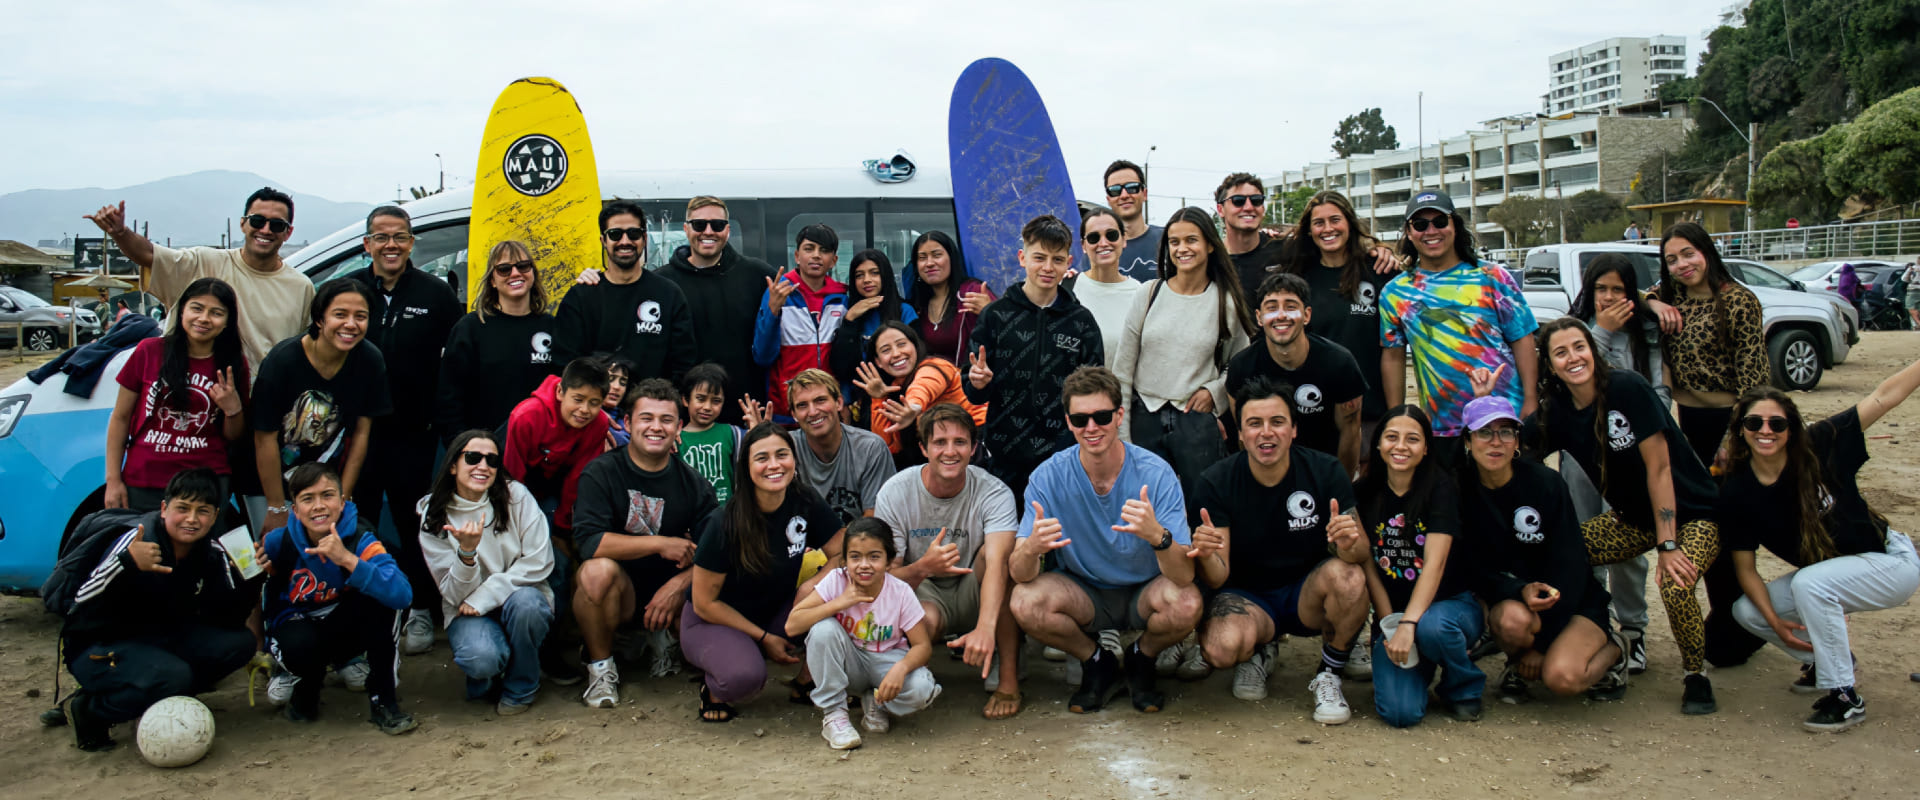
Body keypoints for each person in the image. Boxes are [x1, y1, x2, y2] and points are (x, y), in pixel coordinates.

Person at [1499, 317, 1723, 714]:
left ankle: (1695, 674)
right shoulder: (1559, 411)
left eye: (1579, 347)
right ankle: (1592, 636)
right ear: (1550, 364)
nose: (1573, 358)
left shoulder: (1627, 388)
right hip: (1632, 520)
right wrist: (1490, 405)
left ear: (1593, 350)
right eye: (1561, 352)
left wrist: (1668, 544)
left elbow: (1659, 469)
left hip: (1691, 515)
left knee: (1675, 582)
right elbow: (1512, 448)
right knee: (1559, 551)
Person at [1722, 357, 1920, 732]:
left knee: (1809, 583)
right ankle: (1830, 660)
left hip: (1889, 563)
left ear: (1792, 429)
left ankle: (1844, 696)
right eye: (1754, 423)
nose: (1766, 430)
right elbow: (1745, 569)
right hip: (1832, 574)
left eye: (1777, 423)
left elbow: (1884, 396)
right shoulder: (1737, 490)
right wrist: (1778, 625)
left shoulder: (1820, 445)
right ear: (1741, 430)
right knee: (1748, 612)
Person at [1008, 366, 1200, 714]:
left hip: (1145, 590)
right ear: (1068, 422)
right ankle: (1096, 661)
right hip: (1085, 592)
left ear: (1119, 415)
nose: (1091, 428)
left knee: (1186, 603)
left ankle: (1142, 657)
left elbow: (1185, 576)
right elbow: (1020, 573)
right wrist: (1032, 548)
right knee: (1025, 601)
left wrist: (1158, 536)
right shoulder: (1048, 476)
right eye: (1080, 420)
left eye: (1101, 416)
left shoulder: (1156, 473)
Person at [1189, 377, 1366, 723]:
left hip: (1306, 594)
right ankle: (1258, 651)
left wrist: (1347, 544)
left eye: (1277, 422)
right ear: (1240, 434)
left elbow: (1359, 555)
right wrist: (1207, 554)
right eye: (1254, 423)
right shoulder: (1216, 481)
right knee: (1220, 647)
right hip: (1248, 596)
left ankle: (1329, 673)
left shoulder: (1325, 470)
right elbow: (1218, 574)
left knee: (1351, 578)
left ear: (1294, 430)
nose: (1266, 433)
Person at [57, 469, 261, 752]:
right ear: (164, 509)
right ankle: (90, 709)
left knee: (239, 644)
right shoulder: (137, 540)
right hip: (98, 645)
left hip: (157, 638)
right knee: (173, 676)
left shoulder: (211, 551)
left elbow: (226, 618)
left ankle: (168, 696)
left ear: (215, 516)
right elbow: (79, 601)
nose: (192, 519)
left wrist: (251, 578)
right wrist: (125, 564)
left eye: (202, 511)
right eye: (183, 508)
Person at [343, 205, 462, 657]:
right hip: (357, 434)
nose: (390, 245)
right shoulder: (351, 292)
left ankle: (418, 609)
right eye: (381, 237)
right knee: (359, 520)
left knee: (417, 523)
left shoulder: (434, 293)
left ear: (412, 243)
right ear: (366, 244)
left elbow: (454, 360)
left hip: (414, 431)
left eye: (400, 237)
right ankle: (362, 609)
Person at [1456, 396, 1626, 704]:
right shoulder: (1460, 490)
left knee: (1562, 678)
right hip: (1518, 600)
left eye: (1506, 432)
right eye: (1484, 432)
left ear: (1517, 440)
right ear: (1468, 440)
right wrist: (1518, 590)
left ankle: (1616, 648)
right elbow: (1471, 568)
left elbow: (1572, 565)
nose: (1496, 442)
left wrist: (1542, 646)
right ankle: (1517, 664)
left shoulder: (1545, 483)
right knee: (1510, 621)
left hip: (1572, 602)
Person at [1649, 222, 1767, 666]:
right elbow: (1640, 297)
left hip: (1730, 423)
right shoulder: (1671, 294)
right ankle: (1728, 619)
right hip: (1687, 423)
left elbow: (1755, 381)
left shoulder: (1738, 301)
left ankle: (1739, 622)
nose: (1682, 265)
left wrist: (1732, 442)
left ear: (1707, 251)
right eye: (1673, 259)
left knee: (1729, 526)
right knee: (1702, 525)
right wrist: (1656, 300)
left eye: (1689, 254)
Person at [570, 379, 720, 708]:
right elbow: (589, 543)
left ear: (679, 427)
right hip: (618, 594)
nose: (656, 427)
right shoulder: (602, 472)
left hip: (670, 598)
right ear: (627, 423)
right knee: (595, 572)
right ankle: (601, 668)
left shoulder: (692, 483)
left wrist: (678, 585)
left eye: (666, 420)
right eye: (646, 418)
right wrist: (660, 543)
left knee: (708, 588)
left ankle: (662, 641)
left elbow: (718, 550)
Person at [684, 423, 846, 722]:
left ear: (794, 460)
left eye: (782, 454)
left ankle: (807, 681)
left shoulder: (804, 501)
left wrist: (814, 584)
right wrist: (762, 638)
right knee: (743, 678)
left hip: (776, 611)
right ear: (746, 467)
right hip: (714, 619)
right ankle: (715, 685)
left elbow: (844, 552)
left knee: (840, 589)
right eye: (761, 458)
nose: (774, 465)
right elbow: (705, 603)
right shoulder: (724, 521)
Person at [873, 403, 1022, 719]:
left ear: (973, 448)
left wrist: (985, 627)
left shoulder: (994, 492)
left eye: (960, 442)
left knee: (1004, 560)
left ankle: (1008, 678)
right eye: (940, 442)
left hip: (976, 586)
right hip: (925, 591)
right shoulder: (896, 492)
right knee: (921, 618)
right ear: (924, 448)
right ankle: (909, 674)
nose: (950, 451)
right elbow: (883, 582)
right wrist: (925, 566)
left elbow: (997, 562)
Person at [1380, 190, 1538, 468]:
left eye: (1440, 221)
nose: (1431, 231)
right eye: (1420, 224)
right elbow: (1393, 356)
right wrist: (1398, 416)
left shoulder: (1492, 277)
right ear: (1408, 232)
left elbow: (1522, 338)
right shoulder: (1395, 293)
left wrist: (1530, 400)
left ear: (1455, 225)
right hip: (1442, 427)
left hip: (1502, 419)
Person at [85, 188, 314, 377]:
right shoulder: (204, 263)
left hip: (261, 407)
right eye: (257, 220)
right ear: (243, 224)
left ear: (288, 232)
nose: (265, 230)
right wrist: (120, 232)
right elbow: (149, 256)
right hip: (195, 403)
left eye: (276, 225)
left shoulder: (301, 287)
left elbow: (308, 351)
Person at [1566, 254, 1668, 675]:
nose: (1608, 298)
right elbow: (1575, 378)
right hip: (1579, 456)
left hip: (1630, 460)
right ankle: (1592, 623)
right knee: (1581, 541)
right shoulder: (1577, 333)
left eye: (1618, 289)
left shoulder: (1648, 336)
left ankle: (1633, 630)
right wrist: (1600, 335)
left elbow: (1659, 396)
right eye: (1600, 289)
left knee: (1627, 548)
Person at [258, 463, 416, 734]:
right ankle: (303, 684)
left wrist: (348, 560)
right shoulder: (278, 542)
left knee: (381, 601)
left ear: (343, 502)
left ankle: (384, 700)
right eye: (308, 498)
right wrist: (257, 569)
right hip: (298, 626)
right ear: (294, 509)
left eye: (327, 495)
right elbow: (263, 595)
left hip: (342, 623)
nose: (319, 505)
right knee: (299, 645)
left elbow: (403, 594)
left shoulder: (361, 539)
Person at [1113, 206, 1256, 501]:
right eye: (1174, 242)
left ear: (1210, 245)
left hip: (1196, 423)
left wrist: (1215, 391)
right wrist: (1122, 436)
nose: (1182, 248)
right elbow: (1122, 371)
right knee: (1145, 507)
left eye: (1191, 240)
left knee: (1202, 508)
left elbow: (1241, 365)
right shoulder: (1149, 294)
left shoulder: (1224, 302)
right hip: (1144, 418)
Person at [1354, 405, 1481, 726]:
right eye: (1391, 437)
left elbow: (1435, 565)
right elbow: (1368, 565)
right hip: (1397, 614)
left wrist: (1410, 624)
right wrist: (1390, 625)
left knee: (1433, 629)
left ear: (1426, 448)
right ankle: (1422, 670)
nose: (1400, 446)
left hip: (1448, 606)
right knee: (1400, 713)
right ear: (1378, 443)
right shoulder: (1363, 493)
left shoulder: (1441, 488)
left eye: (1412, 439)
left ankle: (1461, 687)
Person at [964, 214, 1106, 502]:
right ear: (1022, 257)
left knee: (1057, 538)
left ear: (1068, 262)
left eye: (1057, 259)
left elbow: (1094, 392)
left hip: (1064, 455)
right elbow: (974, 391)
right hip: (1003, 455)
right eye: (1039, 257)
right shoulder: (996, 315)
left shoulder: (1082, 322)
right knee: (1007, 540)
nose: (1047, 267)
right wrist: (977, 382)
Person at [417, 430, 554, 716]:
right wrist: (467, 554)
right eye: (472, 457)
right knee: (482, 658)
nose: (483, 466)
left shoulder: (515, 496)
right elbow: (454, 594)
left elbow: (539, 560)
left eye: (492, 460)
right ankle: (485, 679)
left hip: (517, 597)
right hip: (465, 609)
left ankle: (521, 687)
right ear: (453, 465)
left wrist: (487, 596)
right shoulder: (435, 514)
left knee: (528, 606)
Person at [249, 278, 392, 537]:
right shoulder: (283, 361)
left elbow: (361, 433)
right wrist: (277, 507)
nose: (351, 324)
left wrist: (342, 500)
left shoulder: (370, 360)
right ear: (319, 319)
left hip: (327, 483)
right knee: (275, 556)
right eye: (340, 314)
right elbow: (264, 438)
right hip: (271, 482)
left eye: (361, 316)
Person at [787, 518, 941, 750]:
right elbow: (792, 625)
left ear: (889, 561)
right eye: (855, 557)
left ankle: (878, 703)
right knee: (823, 630)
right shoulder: (836, 581)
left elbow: (922, 646)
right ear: (845, 560)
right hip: (850, 664)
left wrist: (900, 669)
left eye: (874, 556)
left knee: (921, 688)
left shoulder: (900, 592)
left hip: (886, 663)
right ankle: (834, 714)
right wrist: (839, 603)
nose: (864, 565)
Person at [105, 278, 247, 513]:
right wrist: (113, 480)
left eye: (216, 313)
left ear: (227, 322)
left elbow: (233, 436)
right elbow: (120, 418)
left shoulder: (233, 364)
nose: (204, 318)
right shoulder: (148, 351)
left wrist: (233, 409)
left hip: (206, 487)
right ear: (182, 311)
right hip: (144, 481)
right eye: (197, 308)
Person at [1225, 272, 1367, 473]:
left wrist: (1339, 486)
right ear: (1259, 317)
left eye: (1290, 306)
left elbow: (1351, 433)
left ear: (1307, 315)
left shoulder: (1339, 363)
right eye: (1272, 307)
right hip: (1268, 472)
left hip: (1324, 471)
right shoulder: (1242, 367)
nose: (1281, 315)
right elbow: (1244, 434)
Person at [657, 196, 778, 425]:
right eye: (699, 225)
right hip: (686, 418)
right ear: (686, 228)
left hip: (747, 414)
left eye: (718, 225)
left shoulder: (759, 276)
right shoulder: (662, 284)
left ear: (728, 230)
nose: (708, 231)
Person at [1281, 191, 1395, 433]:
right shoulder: (1299, 279)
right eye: (1318, 223)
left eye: (1335, 220)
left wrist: (1394, 415)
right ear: (1310, 231)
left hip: (1370, 414)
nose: (1327, 229)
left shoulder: (1379, 271)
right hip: (1315, 414)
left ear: (1349, 224)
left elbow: (1393, 349)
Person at [555, 201, 698, 384]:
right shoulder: (580, 297)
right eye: (615, 234)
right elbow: (566, 364)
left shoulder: (669, 294)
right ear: (603, 241)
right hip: (595, 409)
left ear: (644, 238)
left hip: (652, 408)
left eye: (633, 233)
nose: (625, 241)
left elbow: (683, 363)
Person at [436, 240, 557, 441]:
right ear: (492, 280)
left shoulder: (551, 327)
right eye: (504, 269)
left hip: (539, 449)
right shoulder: (470, 328)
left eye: (523, 266)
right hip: (485, 451)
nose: (515, 273)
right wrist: (462, 447)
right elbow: (449, 398)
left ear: (533, 273)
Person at [503, 357, 612, 540]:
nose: (585, 409)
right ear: (560, 392)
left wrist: (563, 528)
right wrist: (513, 519)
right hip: (515, 488)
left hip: (555, 489)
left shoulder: (599, 423)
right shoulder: (526, 416)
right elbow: (512, 474)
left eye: (594, 403)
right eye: (578, 399)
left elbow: (579, 476)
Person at [854, 321, 986, 465]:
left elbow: (923, 387)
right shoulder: (893, 387)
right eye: (886, 350)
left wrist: (913, 407)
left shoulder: (934, 366)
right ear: (878, 362)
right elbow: (889, 447)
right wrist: (878, 399)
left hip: (978, 444)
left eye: (902, 344)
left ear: (915, 346)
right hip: (940, 452)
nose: (896, 353)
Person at [755, 224, 849, 423]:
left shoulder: (842, 298)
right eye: (809, 249)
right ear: (797, 256)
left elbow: (846, 360)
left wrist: (846, 399)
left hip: (828, 408)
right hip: (786, 409)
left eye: (824, 251)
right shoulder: (779, 292)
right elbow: (762, 356)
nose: (816, 255)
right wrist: (772, 313)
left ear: (834, 261)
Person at [785, 369, 897, 526]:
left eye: (820, 400)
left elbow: (875, 519)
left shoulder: (870, 448)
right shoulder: (785, 450)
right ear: (794, 414)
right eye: (802, 405)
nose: (813, 411)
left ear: (839, 403)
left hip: (858, 545)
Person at [829, 249, 918, 425]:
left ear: (885, 275)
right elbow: (841, 368)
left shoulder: (904, 312)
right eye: (859, 275)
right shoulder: (847, 313)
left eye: (874, 273)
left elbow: (916, 361)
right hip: (859, 408)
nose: (867, 280)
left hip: (901, 402)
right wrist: (850, 321)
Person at [903, 231, 994, 370]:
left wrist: (991, 312)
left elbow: (1007, 333)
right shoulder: (917, 307)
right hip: (933, 386)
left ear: (951, 258)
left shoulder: (972, 293)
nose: (929, 263)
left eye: (937, 255)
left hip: (973, 384)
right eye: (922, 258)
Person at [678, 362, 762, 504]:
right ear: (686, 400)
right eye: (701, 399)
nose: (707, 407)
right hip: (690, 518)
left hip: (727, 516)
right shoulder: (676, 439)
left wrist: (758, 432)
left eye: (716, 401)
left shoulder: (732, 433)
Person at [1068, 207, 1141, 367]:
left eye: (1111, 235)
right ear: (1084, 246)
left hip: (1122, 391)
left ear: (1124, 239)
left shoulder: (1140, 294)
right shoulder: (1067, 288)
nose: (1103, 243)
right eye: (1093, 238)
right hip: (1073, 391)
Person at [1103, 160, 1164, 281]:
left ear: (1144, 194)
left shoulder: (1169, 240)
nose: (1124, 195)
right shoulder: (1098, 249)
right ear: (1109, 199)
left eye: (1132, 188)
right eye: (1115, 190)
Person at [598, 353, 636, 449]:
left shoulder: (632, 423)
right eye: (610, 379)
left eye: (623, 382)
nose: (617, 387)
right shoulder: (582, 416)